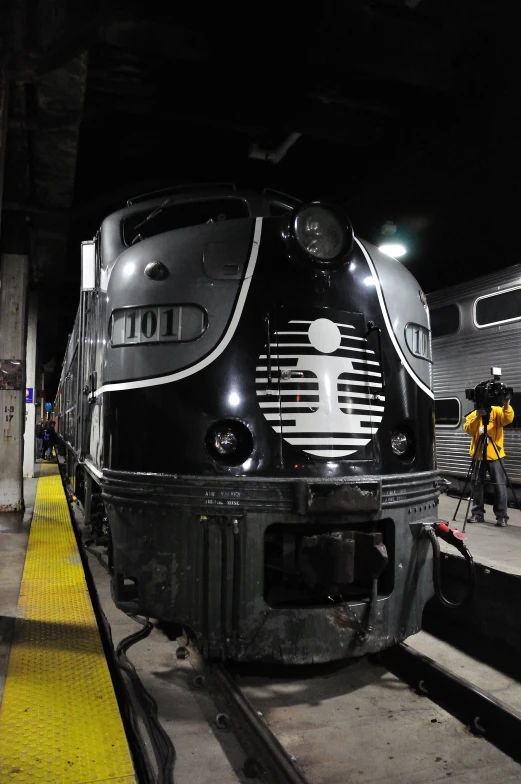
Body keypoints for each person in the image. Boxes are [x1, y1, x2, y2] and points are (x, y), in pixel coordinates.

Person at [464, 396, 514, 526]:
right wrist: (478, 417)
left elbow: (508, 419)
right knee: (476, 484)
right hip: (478, 454)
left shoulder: (497, 411)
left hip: (495, 455)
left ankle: (502, 516)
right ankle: (477, 514)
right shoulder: (474, 414)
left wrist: (506, 405)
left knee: (499, 485)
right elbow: (469, 430)